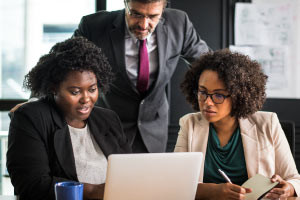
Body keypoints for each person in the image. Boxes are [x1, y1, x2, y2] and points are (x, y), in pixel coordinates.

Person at [73, 0, 210, 153]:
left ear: (163, 9)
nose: (144, 25)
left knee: (151, 176)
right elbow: (65, 67)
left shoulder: (179, 23)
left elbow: (208, 64)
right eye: (136, 14)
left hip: (154, 127)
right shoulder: (92, 26)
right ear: (125, 3)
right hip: (107, 126)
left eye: (153, 16)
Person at [6, 37, 131, 200]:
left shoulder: (108, 119)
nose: (86, 99)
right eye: (75, 92)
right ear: (54, 88)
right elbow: (31, 183)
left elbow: (128, 173)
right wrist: (94, 191)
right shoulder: (31, 117)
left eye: (92, 89)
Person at [174, 49, 300, 199]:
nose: (207, 102)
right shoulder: (189, 124)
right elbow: (177, 184)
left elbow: (294, 179)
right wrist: (212, 191)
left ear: (238, 96)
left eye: (218, 95)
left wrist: (289, 188)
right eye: (203, 92)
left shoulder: (268, 123)